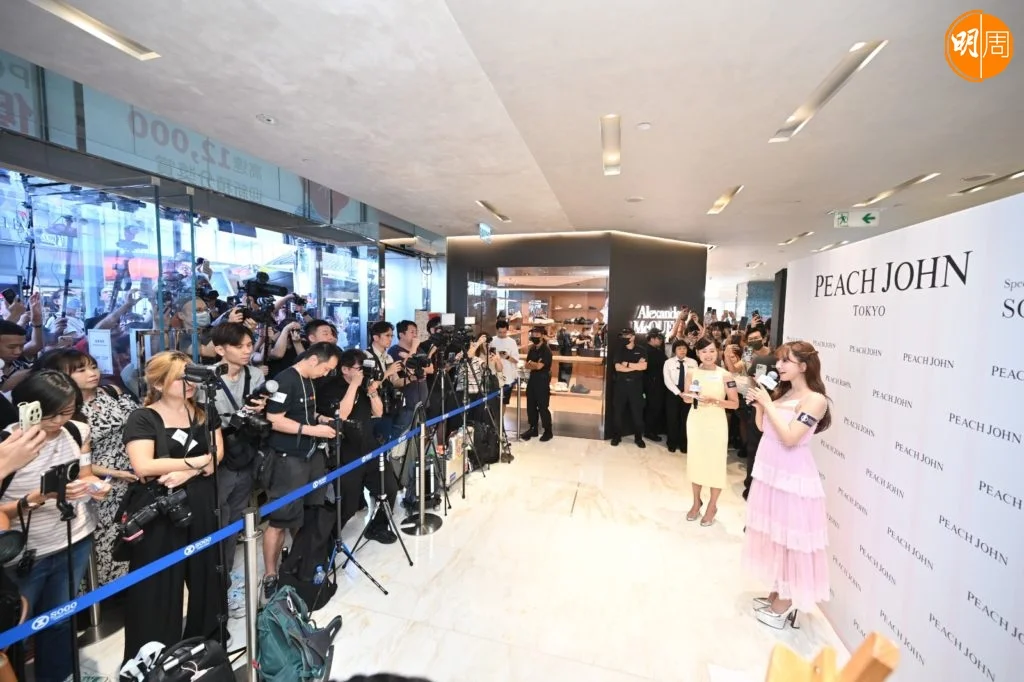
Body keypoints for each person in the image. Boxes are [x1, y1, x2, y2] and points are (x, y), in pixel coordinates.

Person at [1, 371, 108, 682]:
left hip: (74, 538)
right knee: (15, 632)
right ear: (29, 408)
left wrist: (95, 487)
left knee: (61, 620)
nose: (60, 421)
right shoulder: (8, 445)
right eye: (51, 414)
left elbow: (84, 475)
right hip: (23, 552)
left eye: (68, 411)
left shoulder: (77, 430)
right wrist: (34, 499)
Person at [121, 351, 225, 662]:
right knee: (157, 585)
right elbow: (143, 465)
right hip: (160, 507)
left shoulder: (205, 412)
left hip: (202, 500)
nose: (189, 383)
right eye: (180, 377)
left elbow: (217, 455)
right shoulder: (144, 417)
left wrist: (188, 472)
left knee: (207, 574)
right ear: (158, 383)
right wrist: (197, 462)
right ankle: (151, 658)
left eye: (190, 376)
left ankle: (205, 643)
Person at [742, 341, 831, 630]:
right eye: (779, 361)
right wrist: (760, 407)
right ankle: (778, 591)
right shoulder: (785, 392)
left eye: (785, 361)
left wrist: (768, 404)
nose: (778, 366)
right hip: (771, 473)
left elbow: (791, 438)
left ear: (804, 366)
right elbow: (764, 429)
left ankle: (787, 600)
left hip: (792, 477)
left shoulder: (815, 400)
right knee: (777, 536)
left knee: (792, 540)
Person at [34, 349, 139, 586]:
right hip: (96, 486)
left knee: (128, 539)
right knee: (99, 546)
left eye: (93, 366)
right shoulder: (63, 414)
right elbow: (75, 460)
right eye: (80, 370)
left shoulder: (111, 391)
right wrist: (114, 473)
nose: (92, 373)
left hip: (131, 479)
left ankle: (125, 590)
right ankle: (97, 596)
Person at [262, 342, 342, 599]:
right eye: (326, 369)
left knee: (309, 513)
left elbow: (304, 413)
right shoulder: (285, 380)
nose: (325, 374)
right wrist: (312, 430)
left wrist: (320, 420)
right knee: (280, 518)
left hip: (311, 455)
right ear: (313, 360)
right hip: (289, 458)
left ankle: (300, 562)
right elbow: (274, 419)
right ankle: (271, 574)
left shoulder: (308, 380)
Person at [207, 322, 266, 616]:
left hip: (246, 451)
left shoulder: (255, 375)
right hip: (217, 457)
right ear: (220, 349)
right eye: (239, 346)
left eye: (249, 345)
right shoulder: (207, 379)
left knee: (234, 518)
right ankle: (214, 586)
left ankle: (226, 581)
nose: (246, 351)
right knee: (217, 519)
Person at [334, 349, 397, 542]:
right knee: (349, 504)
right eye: (359, 368)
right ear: (345, 369)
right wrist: (354, 385)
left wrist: (372, 392)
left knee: (389, 488)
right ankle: (328, 540)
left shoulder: (364, 385)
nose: (363, 372)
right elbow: (341, 415)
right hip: (346, 450)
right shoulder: (332, 387)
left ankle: (377, 527)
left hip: (369, 445)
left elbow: (378, 413)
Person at [682, 337, 739, 526]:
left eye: (712, 351)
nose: (708, 355)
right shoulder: (691, 372)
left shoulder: (726, 375)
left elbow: (734, 404)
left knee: (715, 464)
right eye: (704, 351)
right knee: (696, 462)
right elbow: (688, 399)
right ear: (698, 353)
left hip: (716, 423)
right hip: (696, 421)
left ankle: (712, 506)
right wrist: (687, 396)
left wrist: (714, 400)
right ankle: (696, 502)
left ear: (718, 352)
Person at [609, 328, 647, 448]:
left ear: (633, 336)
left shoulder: (641, 350)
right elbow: (618, 368)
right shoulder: (619, 350)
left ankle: (638, 438)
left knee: (637, 414)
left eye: (627, 335)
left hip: (636, 386)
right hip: (621, 385)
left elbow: (643, 367)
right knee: (618, 412)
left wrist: (627, 364)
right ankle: (617, 436)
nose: (625, 337)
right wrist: (635, 366)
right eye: (623, 335)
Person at [662, 339, 695, 454]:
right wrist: (678, 392)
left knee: (685, 419)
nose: (682, 350)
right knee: (672, 418)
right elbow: (667, 379)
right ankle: (672, 443)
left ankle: (684, 444)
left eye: (684, 348)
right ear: (674, 350)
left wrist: (689, 392)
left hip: (688, 393)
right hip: (673, 393)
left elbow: (696, 379)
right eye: (679, 348)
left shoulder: (693, 362)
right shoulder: (668, 362)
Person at [520, 327, 553, 442]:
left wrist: (532, 364)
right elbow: (526, 365)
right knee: (531, 405)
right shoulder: (532, 349)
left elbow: (540, 366)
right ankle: (533, 428)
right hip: (532, 379)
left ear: (542, 335)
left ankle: (548, 431)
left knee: (543, 406)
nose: (534, 336)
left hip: (543, 381)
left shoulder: (546, 350)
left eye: (537, 334)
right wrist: (533, 364)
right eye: (533, 333)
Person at [642, 330, 666, 442]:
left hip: (657, 384)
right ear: (652, 339)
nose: (661, 341)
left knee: (655, 408)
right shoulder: (647, 351)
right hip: (652, 385)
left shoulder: (656, 350)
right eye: (659, 338)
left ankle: (652, 430)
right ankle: (649, 432)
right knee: (653, 408)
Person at [490, 319, 520, 407]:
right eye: (500, 332)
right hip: (494, 376)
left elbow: (516, 360)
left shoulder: (512, 342)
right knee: (493, 402)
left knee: (504, 402)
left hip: (507, 377)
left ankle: (502, 416)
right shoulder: (492, 340)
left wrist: (506, 356)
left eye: (504, 332)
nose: (502, 334)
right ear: (496, 330)